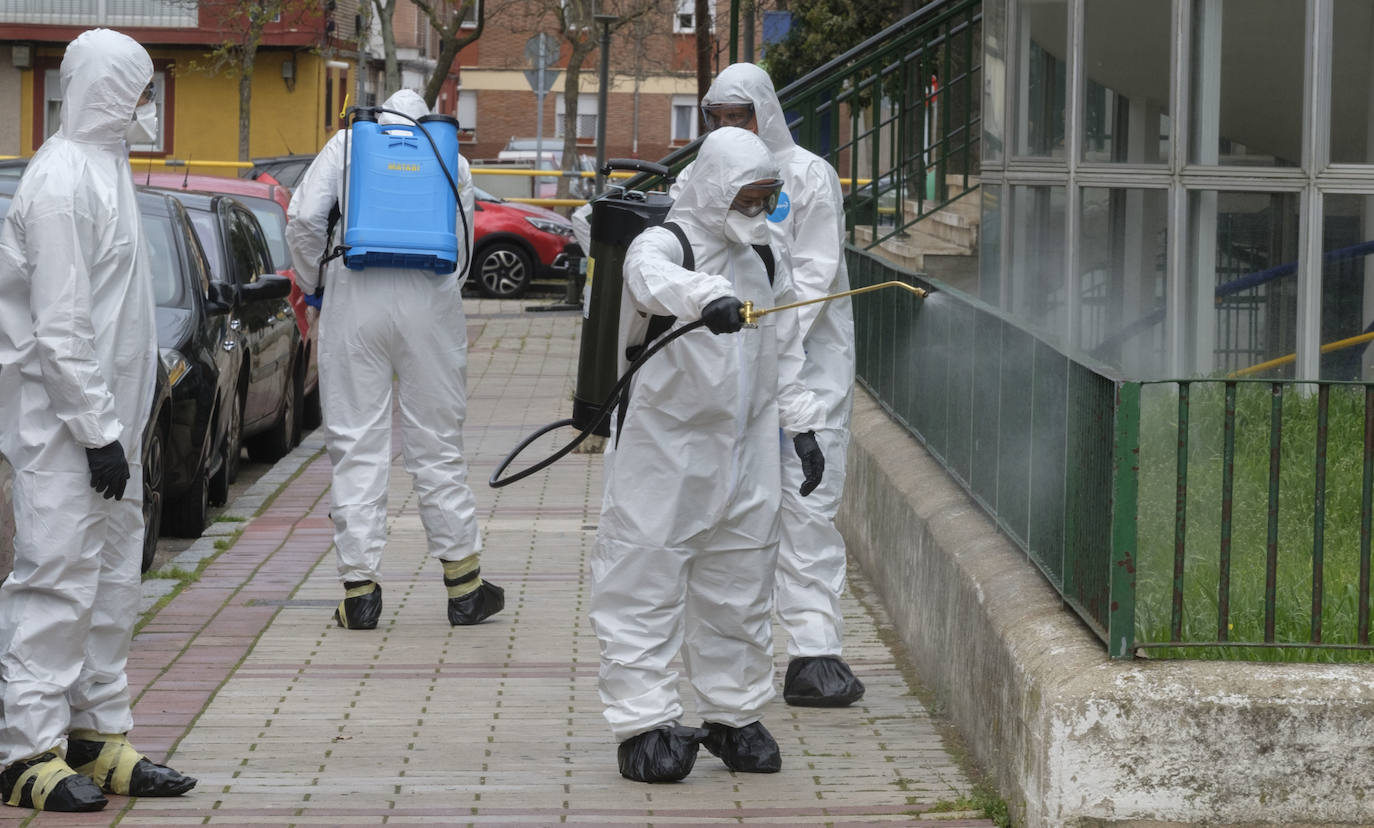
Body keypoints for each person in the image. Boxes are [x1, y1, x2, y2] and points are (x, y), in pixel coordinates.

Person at [589, 126, 826, 783]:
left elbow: (784, 349)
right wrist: (706, 297)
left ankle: (734, 714)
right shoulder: (668, 242)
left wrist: (802, 427)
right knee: (643, 583)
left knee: (741, 587)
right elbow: (650, 278)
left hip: (746, 451)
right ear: (718, 187)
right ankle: (644, 726)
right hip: (664, 450)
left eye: (767, 197)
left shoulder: (765, 258)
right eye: (749, 197)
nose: (759, 209)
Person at [0, 28, 197, 812]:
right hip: (66, 435)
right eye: (140, 87)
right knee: (53, 582)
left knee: (111, 584)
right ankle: (26, 751)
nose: (146, 102)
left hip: (113, 430)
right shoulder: (58, 184)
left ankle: (98, 734)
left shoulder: (109, 167)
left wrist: (124, 422)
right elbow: (61, 327)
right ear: (108, 88)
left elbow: (117, 314)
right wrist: (92, 428)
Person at [674, 63, 864, 707]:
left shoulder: (807, 175)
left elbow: (812, 275)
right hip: (727, 372)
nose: (728, 128)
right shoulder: (698, 177)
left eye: (740, 117)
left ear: (766, 114)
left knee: (808, 505)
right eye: (718, 119)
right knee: (735, 513)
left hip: (809, 364)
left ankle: (815, 649)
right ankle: (729, 662)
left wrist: (767, 340)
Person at [286, 89, 503, 630]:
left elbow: (304, 220)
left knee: (357, 443)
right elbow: (463, 247)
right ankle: (465, 587)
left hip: (354, 296)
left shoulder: (346, 146)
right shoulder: (449, 154)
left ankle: (359, 592)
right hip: (430, 302)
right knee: (437, 445)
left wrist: (315, 284)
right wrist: (438, 292)